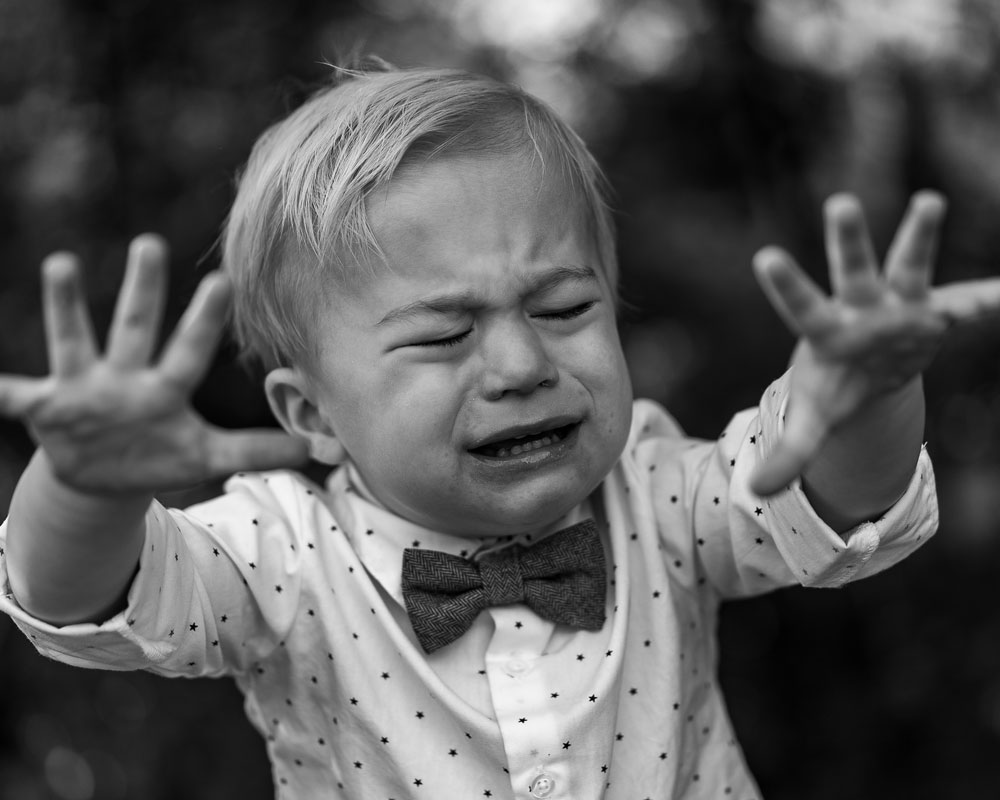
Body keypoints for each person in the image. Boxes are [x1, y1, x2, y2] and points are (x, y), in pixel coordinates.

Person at [0, 61, 997, 800]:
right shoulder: (283, 553)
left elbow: (832, 504)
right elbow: (89, 601)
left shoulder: (656, 490)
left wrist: (869, 393)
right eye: (443, 333)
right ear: (312, 415)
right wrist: (85, 488)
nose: (522, 365)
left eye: (563, 309)